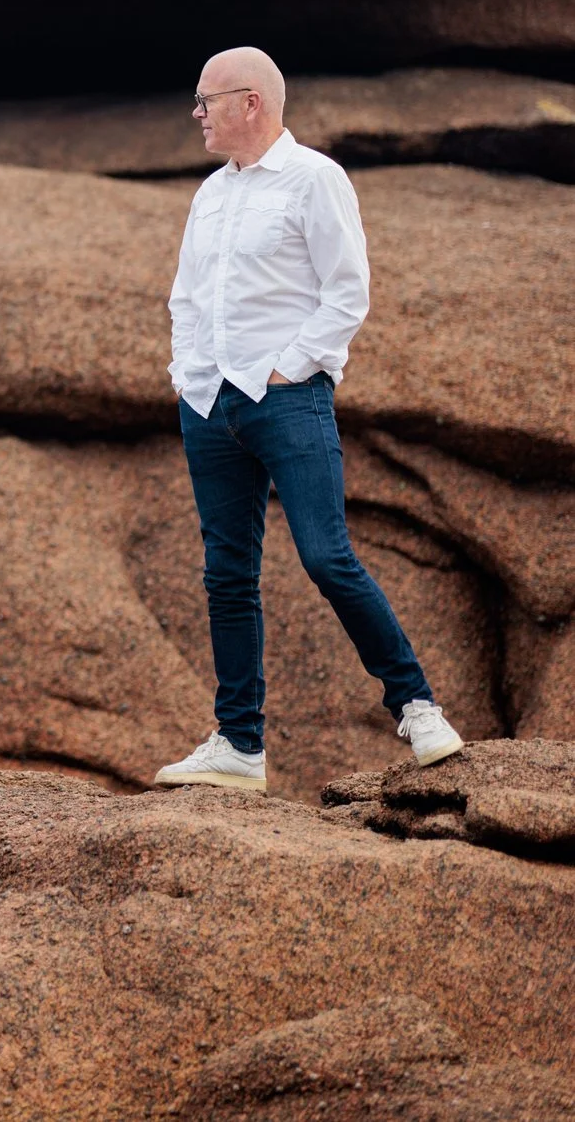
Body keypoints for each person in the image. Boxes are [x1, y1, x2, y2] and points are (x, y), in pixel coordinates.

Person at [155, 48, 464, 791]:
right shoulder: (209, 195)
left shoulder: (314, 178)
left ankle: (417, 705)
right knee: (226, 574)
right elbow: (187, 298)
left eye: (206, 100)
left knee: (327, 556)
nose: (197, 113)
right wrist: (188, 374)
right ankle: (239, 744)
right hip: (209, 404)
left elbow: (347, 291)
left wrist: (290, 366)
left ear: (250, 102)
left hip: (288, 399)